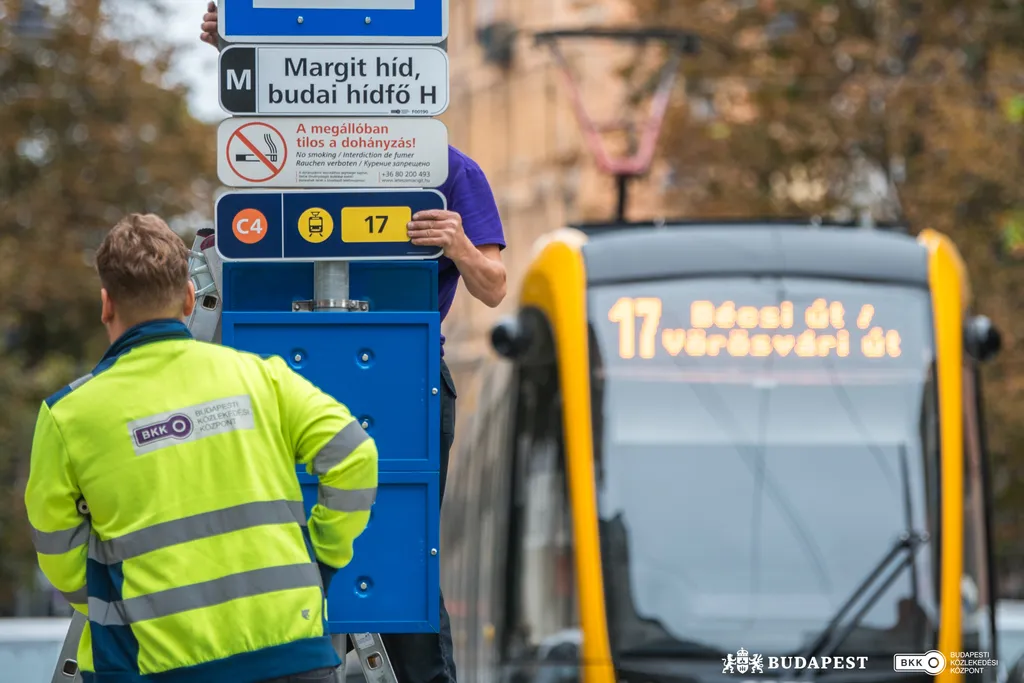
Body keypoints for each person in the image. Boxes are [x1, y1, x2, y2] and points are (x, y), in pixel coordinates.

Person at [201, 6, 508, 682]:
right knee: (279, 534)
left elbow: (493, 284)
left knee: (402, 552)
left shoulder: (454, 170)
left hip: (408, 377)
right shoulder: (316, 152)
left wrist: (456, 240)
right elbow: (285, 93)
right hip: (295, 371)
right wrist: (237, 45)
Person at [25, 214, 379, 683]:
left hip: (149, 664)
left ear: (106, 304)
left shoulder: (68, 415)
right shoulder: (260, 377)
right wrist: (323, 558)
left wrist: (106, 601)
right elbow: (354, 455)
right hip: (289, 656)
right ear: (190, 298)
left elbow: (55, 544)